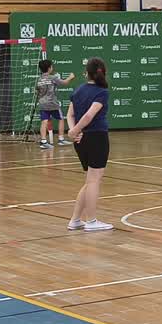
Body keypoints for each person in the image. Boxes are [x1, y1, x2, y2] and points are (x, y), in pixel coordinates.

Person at [66, 57, 114, 231]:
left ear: (86, 73)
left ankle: (75, 220)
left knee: (89, 180)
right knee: (94, 180)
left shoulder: (78, 90)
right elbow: (88, 116)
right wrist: (75, 131)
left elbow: (70, 115)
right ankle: (91, 221)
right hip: (96, 138)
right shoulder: (102, 92)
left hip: (81, 140)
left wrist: (74, 130)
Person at [34, 59, 76, 149]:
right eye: (51, 66)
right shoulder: (52, 78)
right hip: (53, 104)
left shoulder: (39, 79)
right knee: (61, 119)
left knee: (44, 121)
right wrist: (70, 77)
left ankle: (43, 141)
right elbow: (64, 82)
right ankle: (61, 139)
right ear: (49, 68)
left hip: (42, 104)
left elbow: (37, 91)